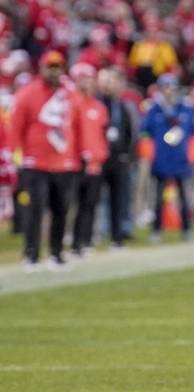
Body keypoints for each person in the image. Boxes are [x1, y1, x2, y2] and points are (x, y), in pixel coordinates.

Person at [10, 50, 78, 271]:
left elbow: (75, 126)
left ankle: (56, 254)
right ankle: (31, 255)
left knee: (61, 209)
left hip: (62, 162)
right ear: (42, 68)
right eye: (51, 66)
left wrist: (76, 156)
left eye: (58, 66)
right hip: (35, 162)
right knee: (35, 210)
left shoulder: (69, 94)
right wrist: (17, 156)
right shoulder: (28, 93)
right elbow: (16, 127)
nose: (54, 71)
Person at [140, 74, 194, 242]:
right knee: (157, 198)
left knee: (184, 198)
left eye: (172, 87)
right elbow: (144, 132)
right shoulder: (153, 109)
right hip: (161, 159)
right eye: (166, 87)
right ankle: (156, 230)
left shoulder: (185, 108)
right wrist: (150, 154)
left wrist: (191, 155)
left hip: (180, 158)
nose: (169, 91)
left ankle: (186, 229)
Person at [68, 63, 109, 257]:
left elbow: (101, 134)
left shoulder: (99, 107)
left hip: (95, 162)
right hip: (77, 162)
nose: (87, 83)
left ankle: (84, 240)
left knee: (90, 204)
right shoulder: (72, 103)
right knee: (72, 204)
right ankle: (72, 240)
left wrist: (101, 154)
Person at [98, 67, 136, 248]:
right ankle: (92, 234)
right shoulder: (98, 104)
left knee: (118, 199)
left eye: (115, 81)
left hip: (118, 160)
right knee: (93, 200)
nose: (112, 85)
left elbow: (129, 133)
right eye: (109, 81)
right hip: (100, 159)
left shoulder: (122, 106)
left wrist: (126, 155)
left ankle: (117, 237)